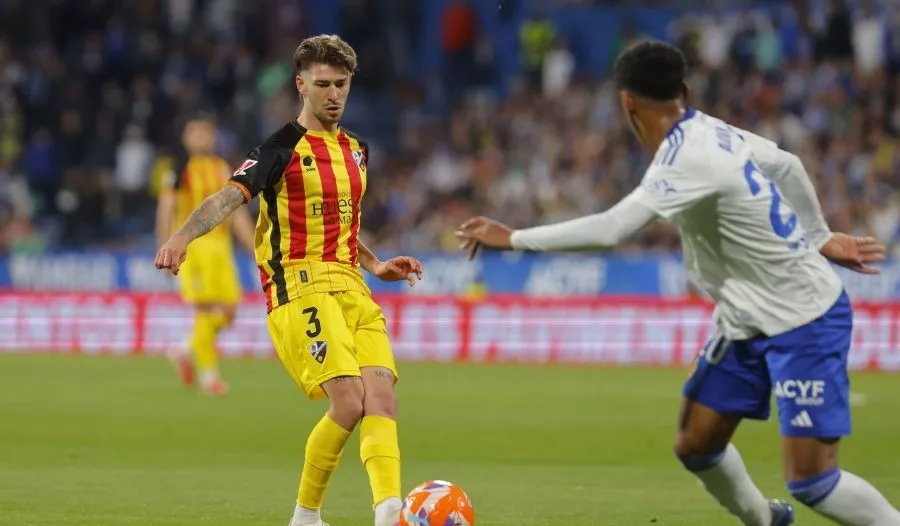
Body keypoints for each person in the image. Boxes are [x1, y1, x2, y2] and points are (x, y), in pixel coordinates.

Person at [456, 41, 900, 526]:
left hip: (804, 315)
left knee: (813, 480)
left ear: (627, 102)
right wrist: (819, 236)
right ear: (684, 91)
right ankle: (768, 521)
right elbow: (788, 165)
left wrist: (514, 237)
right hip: (745, 318)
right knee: (696, 444)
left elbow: (613, 229)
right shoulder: (710, 129)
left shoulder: (685, 157)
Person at [155, 34, 423, 526]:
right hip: (299, 289)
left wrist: (376, 264)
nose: (334, 94)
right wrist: (181, 236)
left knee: (382, 398)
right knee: (349, 400)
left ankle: (389, 512)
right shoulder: (278, 149)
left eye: (342, 84)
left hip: (352, 288)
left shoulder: (358, 152)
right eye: (323, 84)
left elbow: (341, 224)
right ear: (301, 85)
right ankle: (305, 515)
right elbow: (227, 199)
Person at [155, 117, 256, 395]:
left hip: (222, 249)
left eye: (206, 132)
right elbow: (166, 209)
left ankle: (184, 349)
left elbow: (236, 214)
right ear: (186, 138)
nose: (200, 137)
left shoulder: (223, 168)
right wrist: (165, 248)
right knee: (207, 310)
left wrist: (255, 249)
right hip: (194, 248)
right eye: (194, 132)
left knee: (229, 310)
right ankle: (209, 377)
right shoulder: (177, 169)